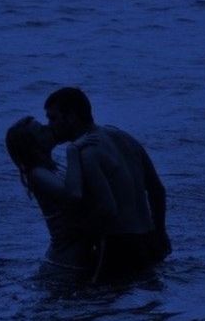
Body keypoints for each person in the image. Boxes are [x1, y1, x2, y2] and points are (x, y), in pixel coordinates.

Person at [44, 87, 171, 282]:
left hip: (119, 248)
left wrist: (74, 232)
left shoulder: (86, 154)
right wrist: (160, 233)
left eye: (53, 118)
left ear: (71, 117)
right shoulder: (124, 138)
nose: (49, 126)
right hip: (149, 241)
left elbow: (106, 210)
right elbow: (157, 190)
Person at [5, 116, 94, 281]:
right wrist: (73, 151)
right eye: (41, 130)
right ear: (33, 145)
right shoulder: (36, 173)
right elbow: (73, 195)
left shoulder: (52, 167)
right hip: (64, 266)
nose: (49, 128)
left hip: (73, 261)